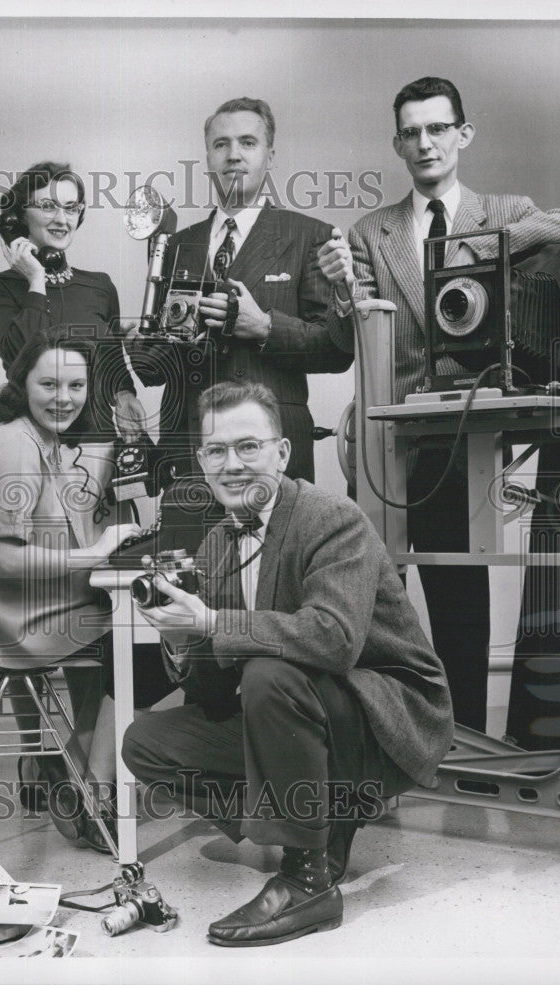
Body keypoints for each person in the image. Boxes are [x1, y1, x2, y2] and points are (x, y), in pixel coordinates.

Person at [122, 381, 454, 946]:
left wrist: (211, 624)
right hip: (305, 714)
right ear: (201, 462)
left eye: (248, 447)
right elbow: (209, 694)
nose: (232, 465)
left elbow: (332, 641)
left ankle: (307, 881)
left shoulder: (331, 517)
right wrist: (182, 642)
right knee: (146, 741)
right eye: (217, 451)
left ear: (283, 453)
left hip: (384, 718)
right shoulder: (216, 547)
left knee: (268, 673)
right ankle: (321, 824)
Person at [318, 76, 560, 733]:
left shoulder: (503, 208)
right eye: (411, 132)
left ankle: (464, 741)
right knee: (380, 599)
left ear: (462, 135)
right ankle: (390, 739)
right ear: (396, 143)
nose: (424, 143)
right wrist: (337, 289)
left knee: (458, 598)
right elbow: (347, 331)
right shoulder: (370, 231)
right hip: (392, 437)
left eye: (438, 128)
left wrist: (478, 250)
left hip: (463, 437)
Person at [0, 328, 174, 852]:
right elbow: (6, 558)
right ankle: (93, 787)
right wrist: (93, 552)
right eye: (48, 384)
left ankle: (81, 777)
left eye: (75, 386)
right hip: (1, 620)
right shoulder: (13, 445)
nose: (63, 398)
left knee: (132, 625)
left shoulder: (30, 439)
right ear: (22, 383)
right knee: (143, 633)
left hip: (13, 607)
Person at [128, 97, 353, 486]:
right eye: (221, 144)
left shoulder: (309, 236)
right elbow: (153, 370)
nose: (234, 155)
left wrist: (265, 326)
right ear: (208, 158)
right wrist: (140, 344)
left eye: (248, 143)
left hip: (272, 448)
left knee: (276, 548)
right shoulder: (175, 243)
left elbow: (337, 350)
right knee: (188, 549)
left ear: (270, 155)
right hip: (188, 448)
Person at [0, 161, 146, 442]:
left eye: (71, 208)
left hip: (99, 445)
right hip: (33, 445)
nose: (61, 218)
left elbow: (112, 360)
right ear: (18, 217)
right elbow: (26, 358)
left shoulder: (99, 285)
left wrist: (125, 393)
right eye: (47, 206)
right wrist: (36, 280)